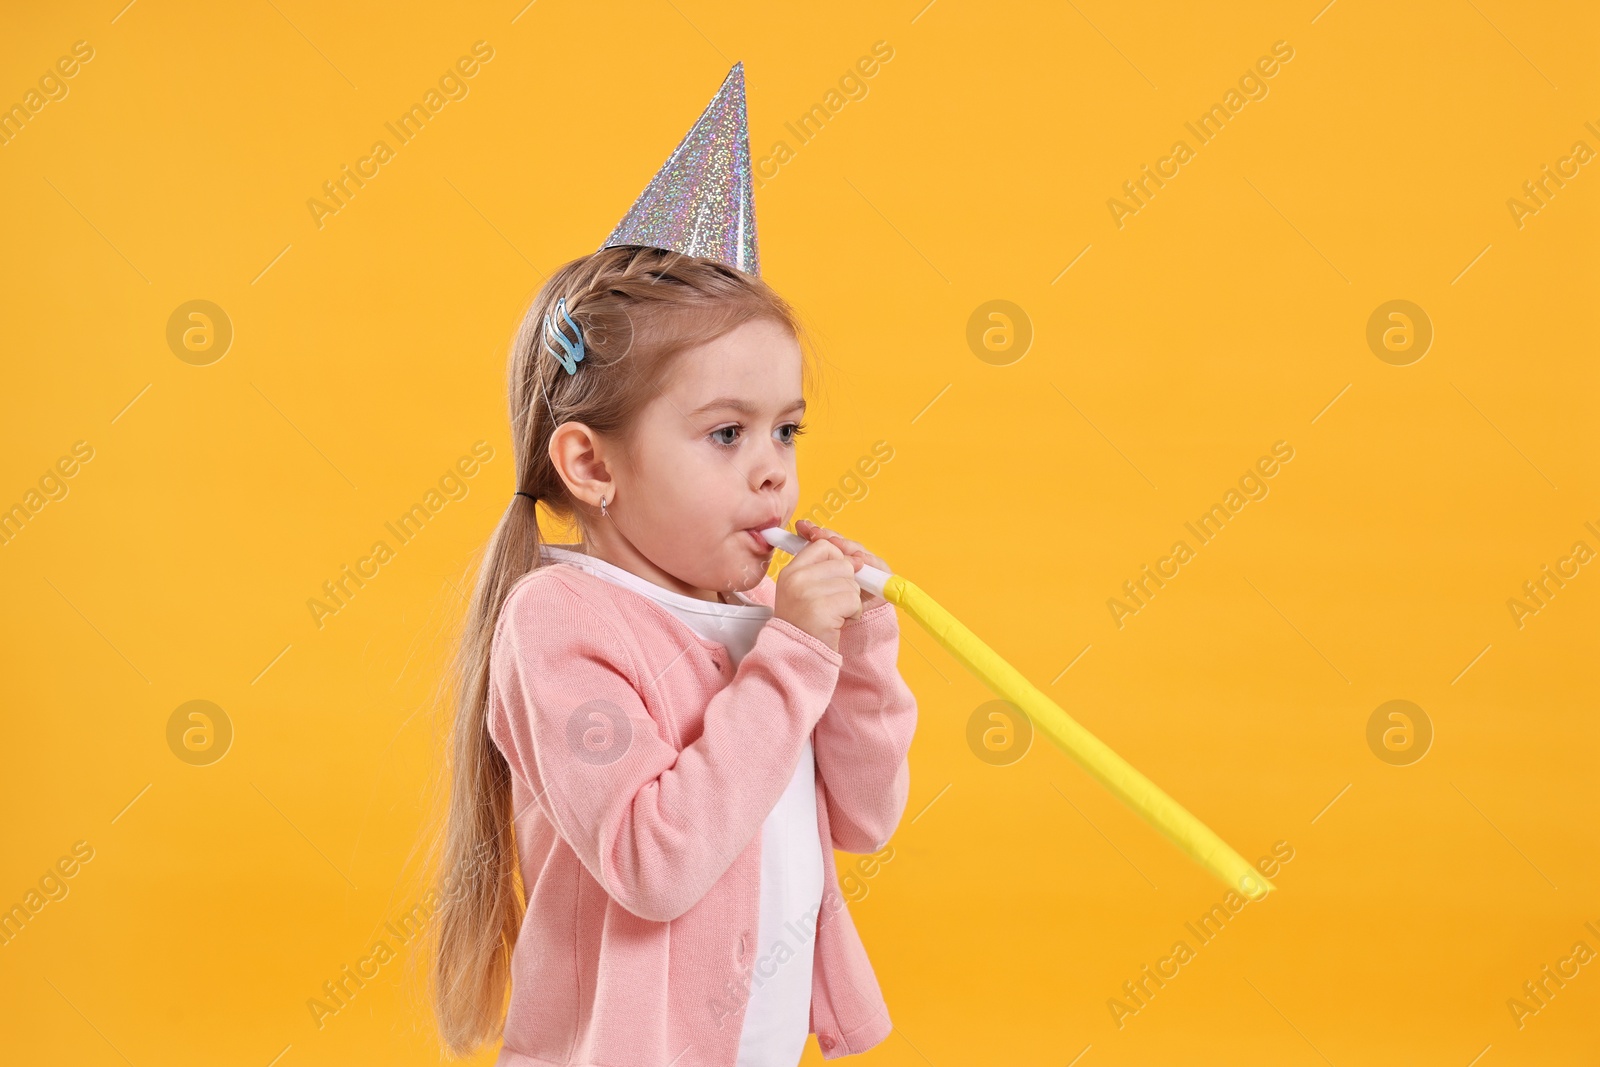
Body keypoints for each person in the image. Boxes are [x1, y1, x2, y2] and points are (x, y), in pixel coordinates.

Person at [427, 243, 918, 1067]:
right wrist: (797, 653)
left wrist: (857, 645)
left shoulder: (766, 618)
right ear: (592, 464)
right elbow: (656, 862)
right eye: (727, 432)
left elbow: (865, 819)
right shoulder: (559, 624)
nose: (775, 474)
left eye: (786, 430)